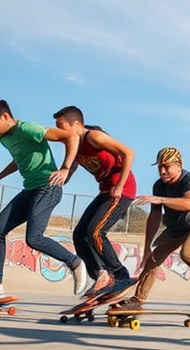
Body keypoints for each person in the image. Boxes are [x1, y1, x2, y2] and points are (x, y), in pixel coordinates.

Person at [0, 99, 86, 301]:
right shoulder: (5, 138)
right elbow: (19, 160)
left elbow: (71, 137)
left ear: (5, 116)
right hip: (30, 190)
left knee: (34, 238)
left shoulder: (28, 129)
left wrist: (65, 168)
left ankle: (74, 262)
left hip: (48, 188)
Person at [114, 147, 190, 310]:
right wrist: (148, 245)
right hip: (176, 229)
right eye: (159, 168)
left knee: (188, 253)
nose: (162, 172)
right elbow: (154, 216)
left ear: (178, 165)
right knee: (152, 260)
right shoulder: (159, 186)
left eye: (166, 167)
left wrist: (160, 199)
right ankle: (137, 300)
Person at [53, 106, 137, 297]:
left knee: (96, 232)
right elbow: (70, 168)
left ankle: (121, 275)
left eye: (62, 128)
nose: (60, 133)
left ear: (76, 125)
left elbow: (128, 153)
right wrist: (57, 181)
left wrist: (121, 185)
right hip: (106, 191)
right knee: (79, 234)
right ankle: (100, 275)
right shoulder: (73, 144)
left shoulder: (94, 137)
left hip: (122, 190)